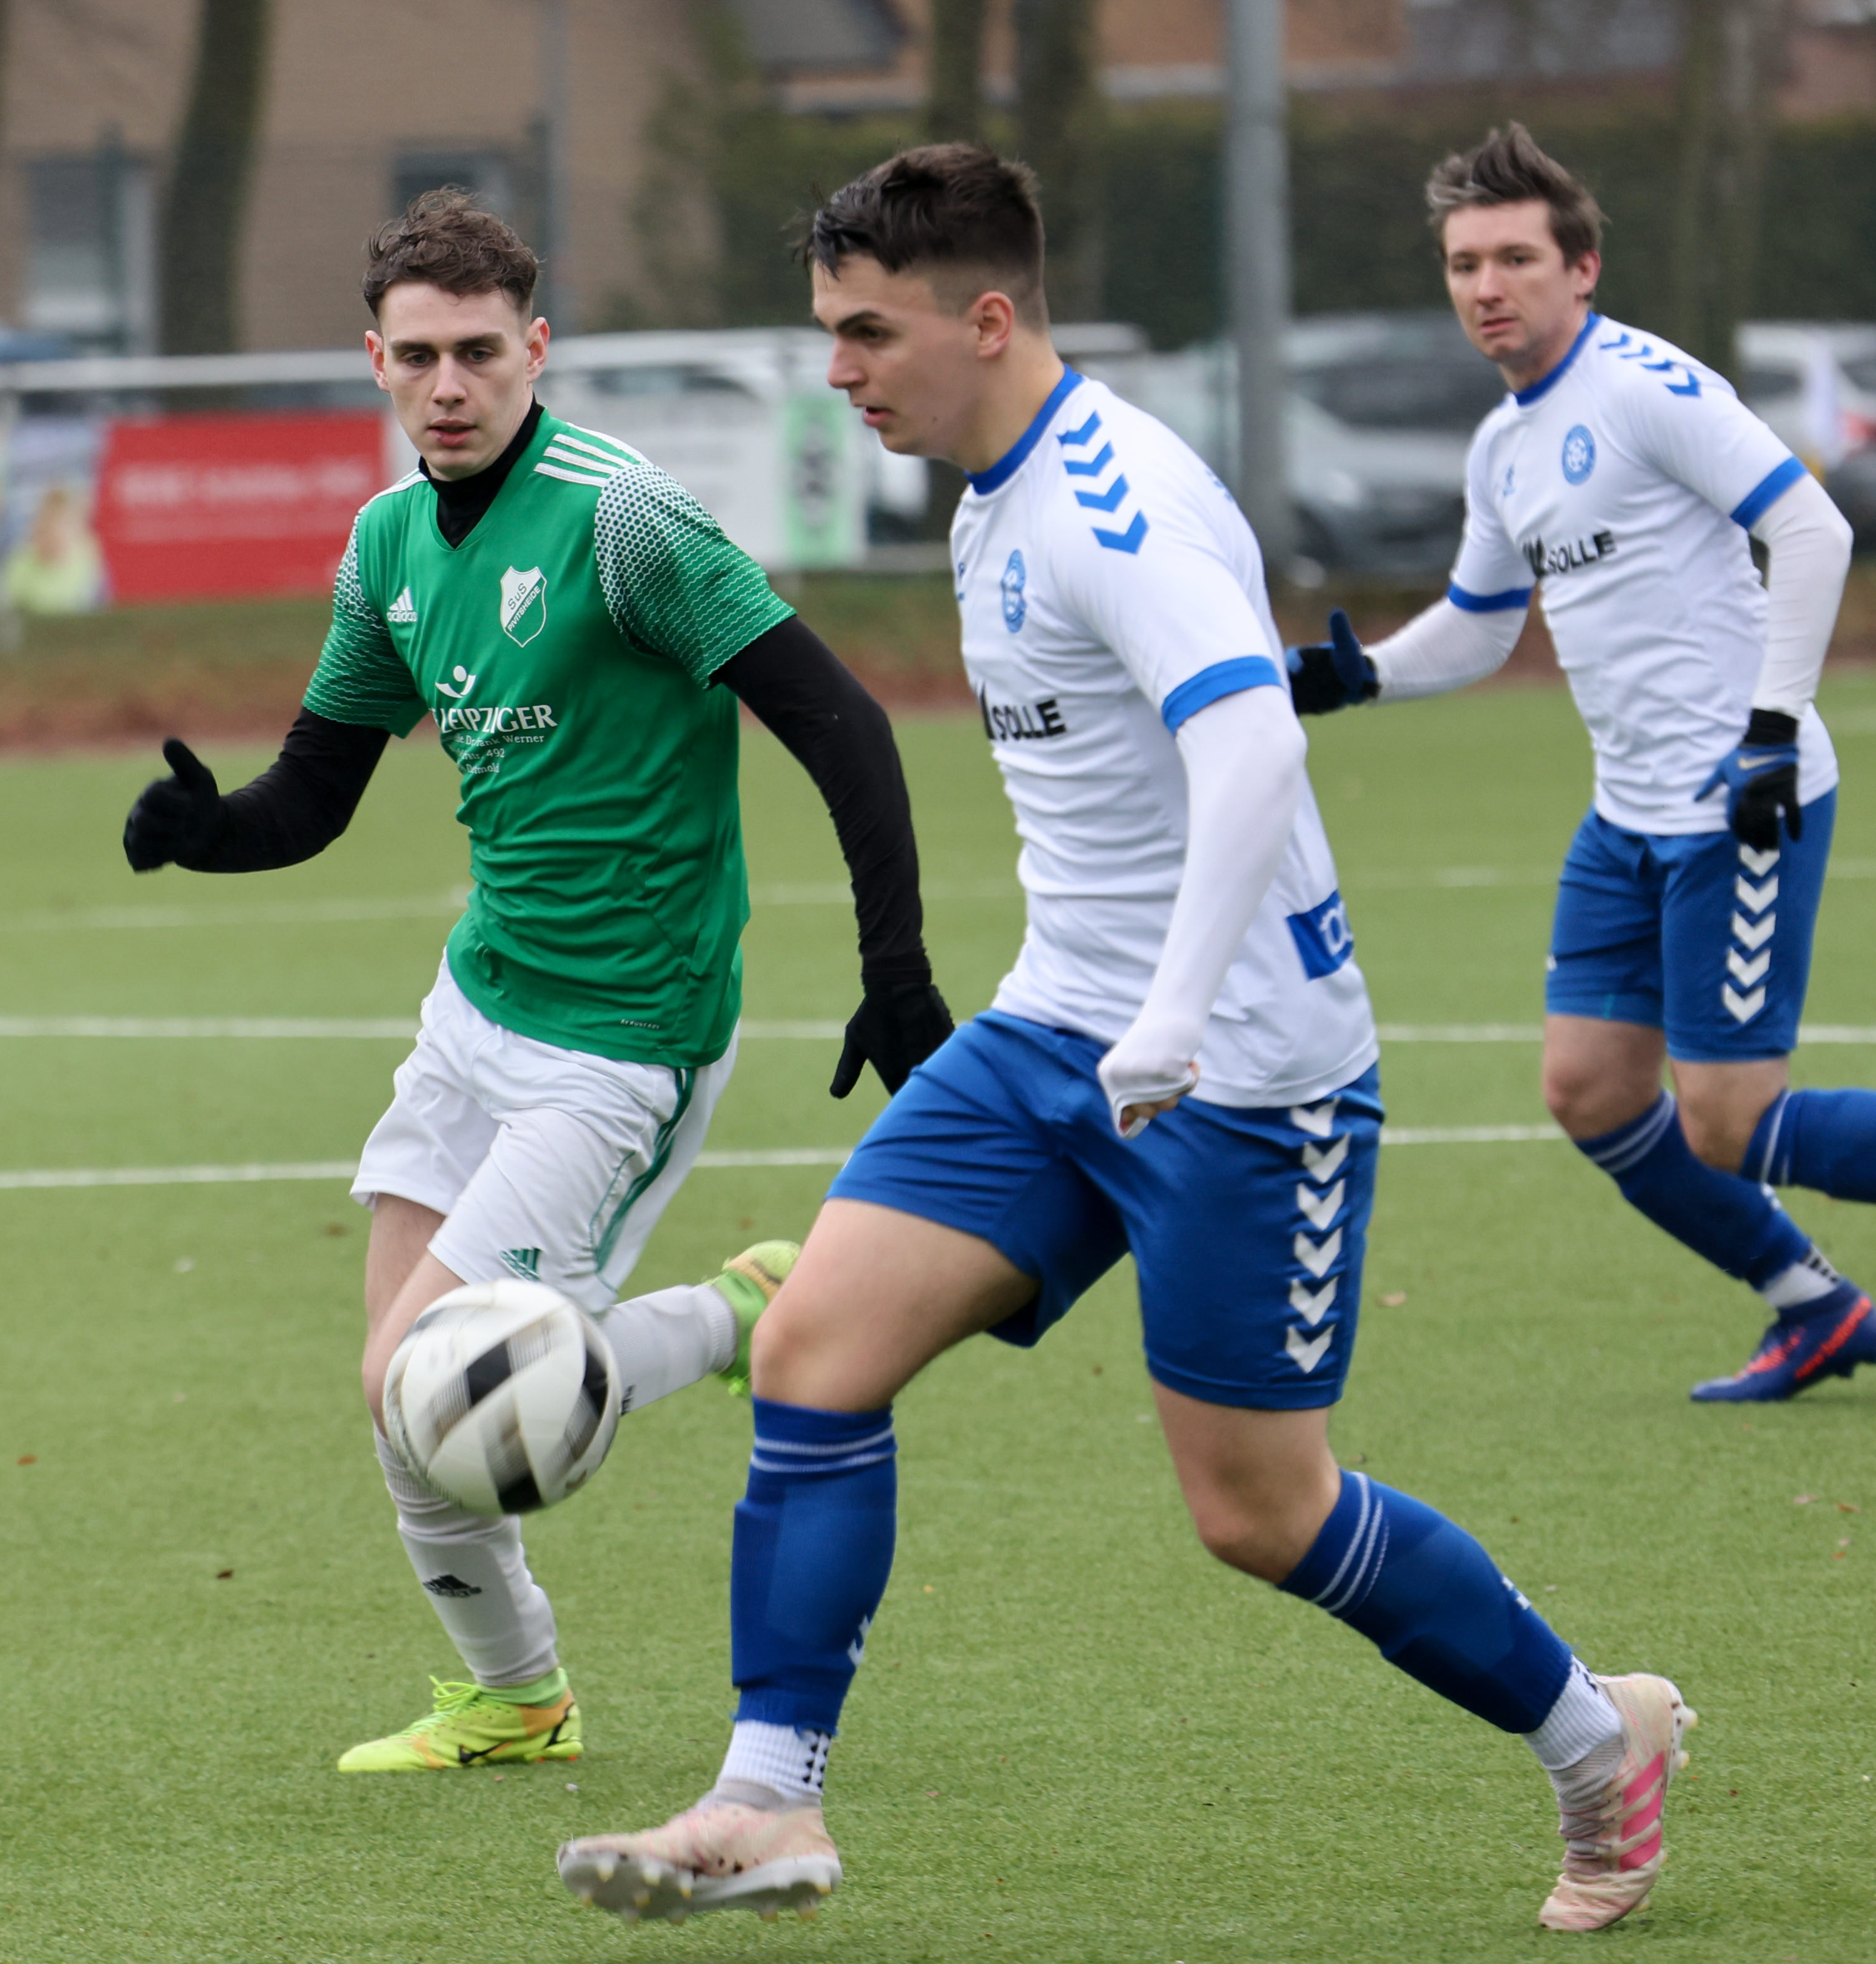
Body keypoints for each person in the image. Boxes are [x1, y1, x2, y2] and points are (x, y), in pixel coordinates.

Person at [557, 146, 1687, 1935]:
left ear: (983, 318)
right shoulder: (984, 497)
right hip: (1052, 1032)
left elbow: (1249, 746)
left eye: (866, 333)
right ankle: (766, 1799)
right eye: (828, 331)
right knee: (815, 1354)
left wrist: (1169, 1015)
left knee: (1257, 1510)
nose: (836, 370)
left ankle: (1593, 1733)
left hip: (1239, 1073)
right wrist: (1102, 1010)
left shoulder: (1110, 503)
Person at [120, 190, 954, 1773]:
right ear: (374, 362)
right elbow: (313, 795)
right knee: (393, 1390)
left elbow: (840, 718)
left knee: (432, 1387)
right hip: (476, 1005)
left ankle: (730, 1316)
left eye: (479, 353)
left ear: (535, 350)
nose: (448, 385)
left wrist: (892, 965)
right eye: (417, 356)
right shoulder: (385, 541)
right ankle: (516, 1699)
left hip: (621, 1036)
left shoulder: (623, 520)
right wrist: (205, 833)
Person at [1288, 125, 1869, 1403]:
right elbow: (1482, 623)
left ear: (1581, 268)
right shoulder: (1502, 444)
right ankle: (1815, 1306)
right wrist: (1360, 673)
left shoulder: (1644, 388)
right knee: (1590, 1091)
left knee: (1731, 1122)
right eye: (1462, 264)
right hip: (1624, 820)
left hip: (1737, 804)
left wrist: (1771, 730)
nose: (1484, 286)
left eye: (1514, 258)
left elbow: (1810, 528)